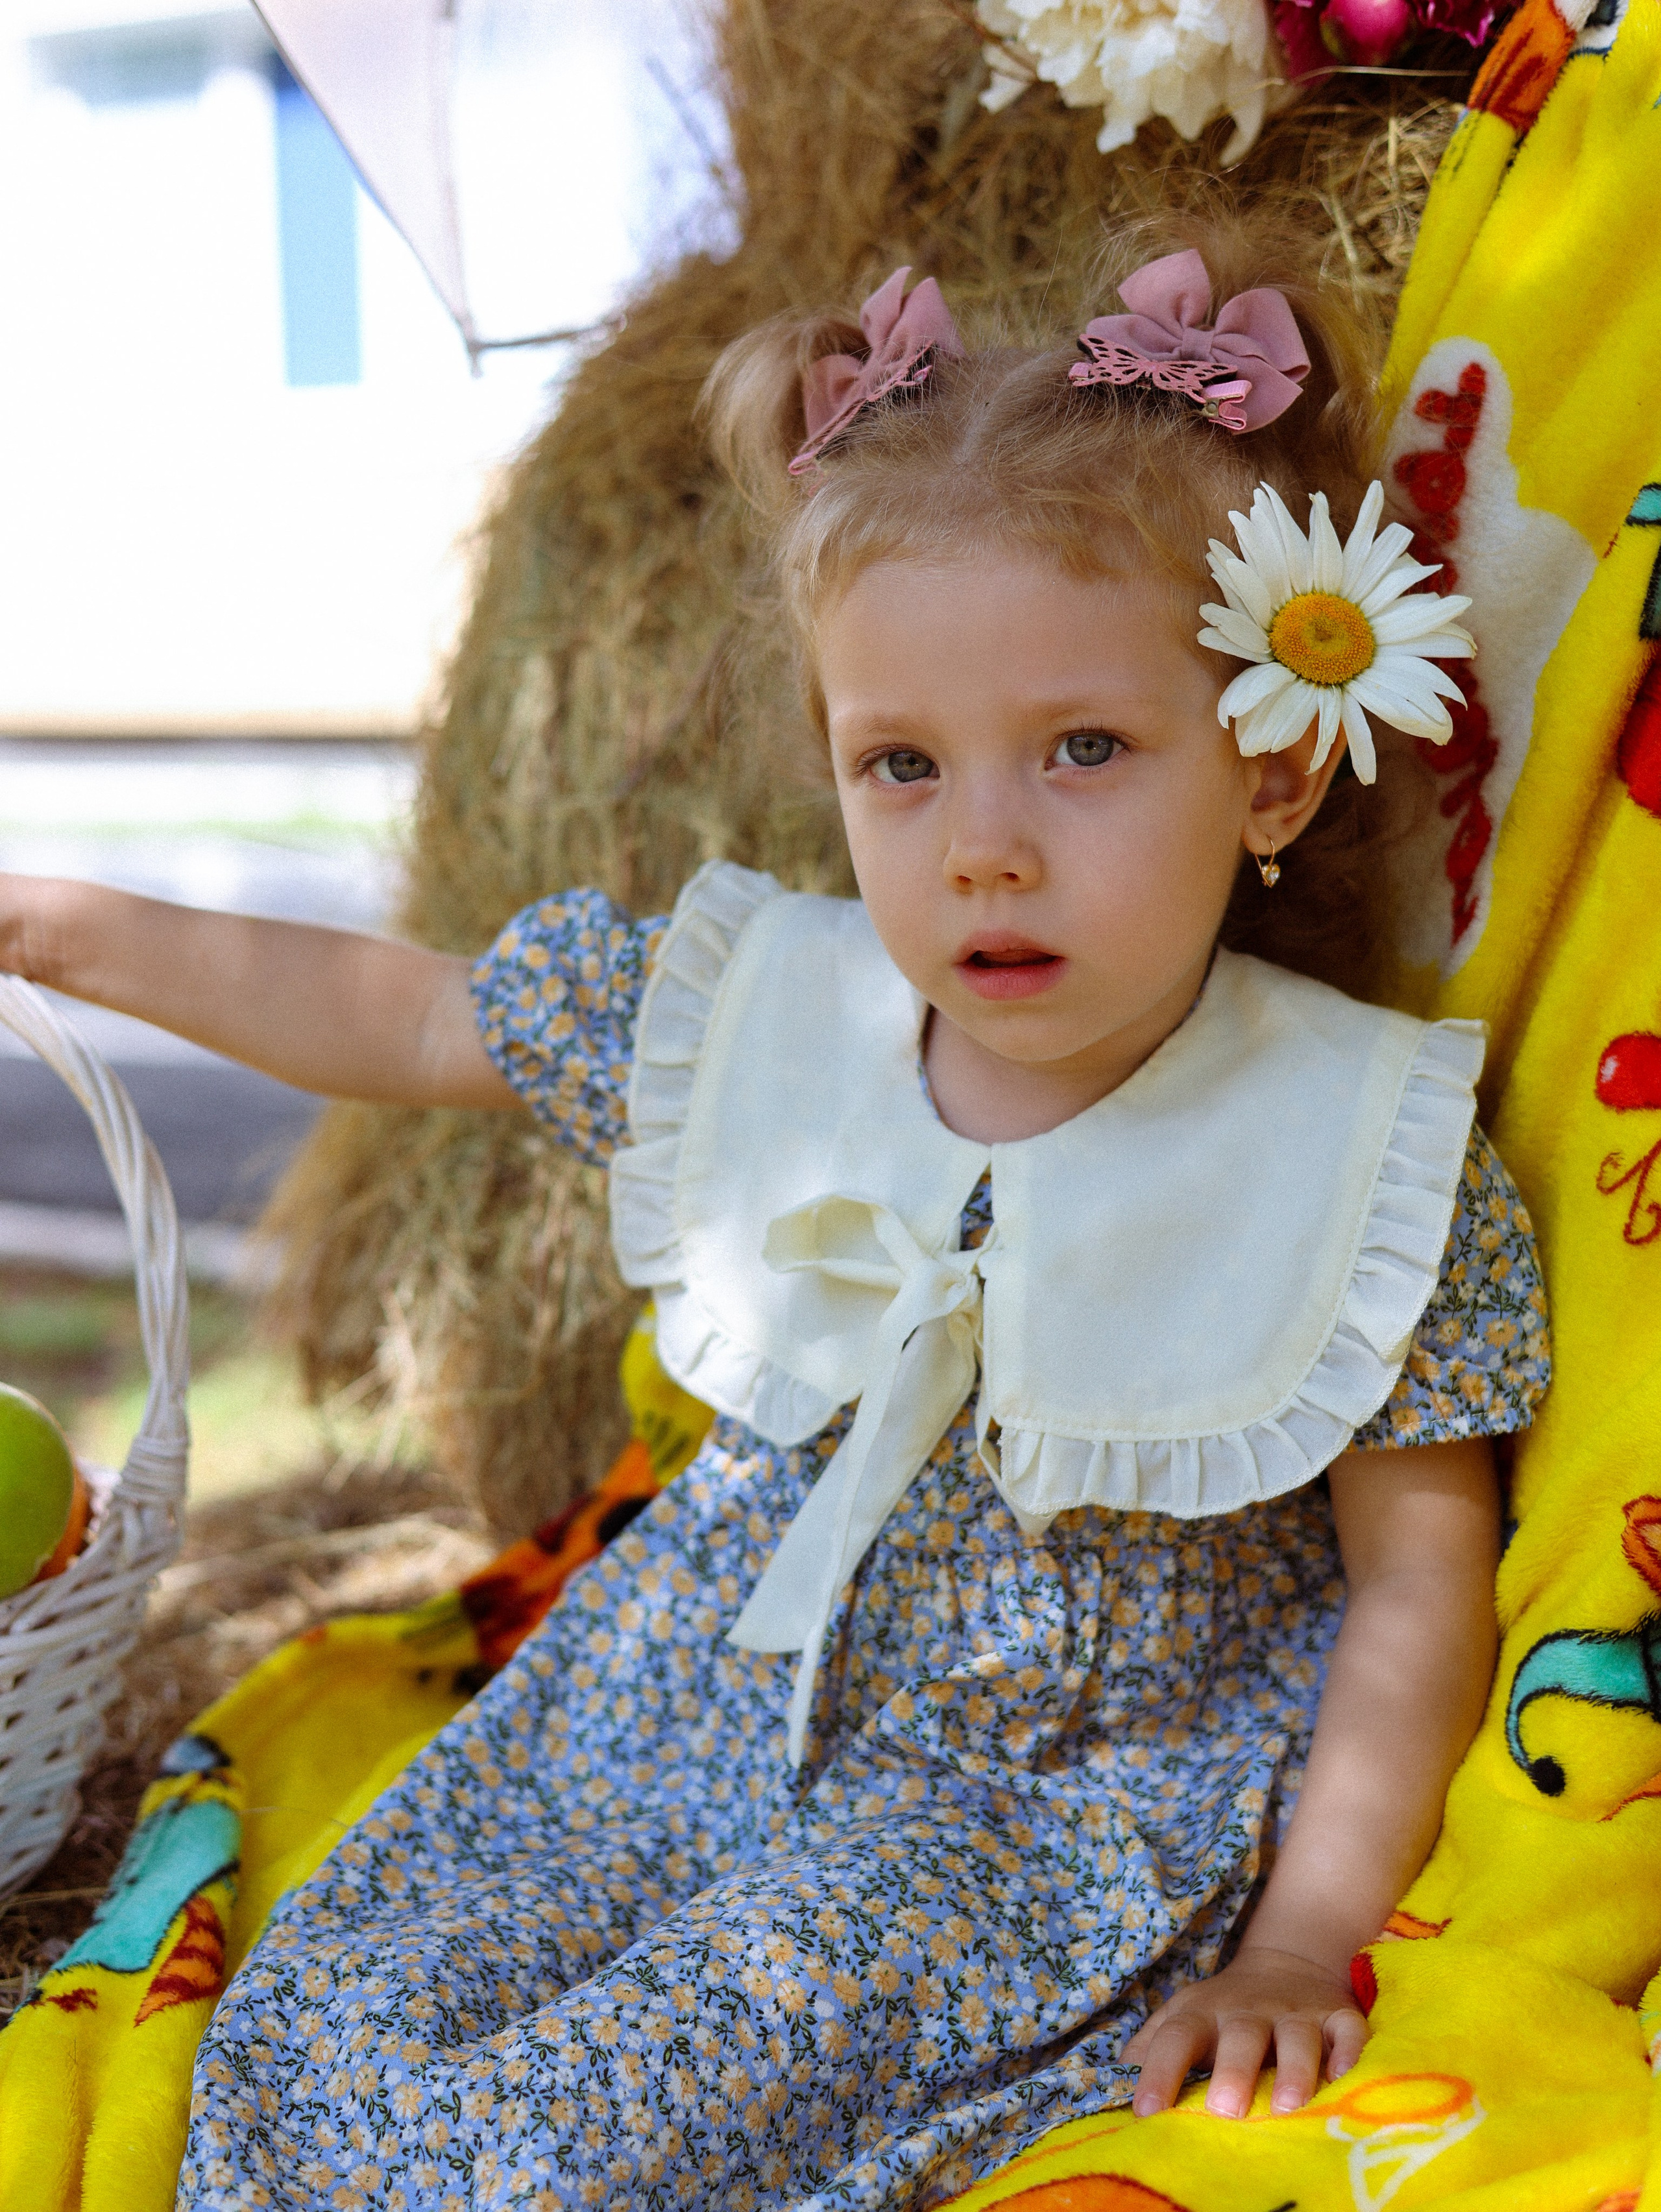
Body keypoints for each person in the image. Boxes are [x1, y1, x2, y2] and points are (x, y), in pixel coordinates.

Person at [1, 215, 1548, 2212]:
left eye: (1084, 750)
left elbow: (1422, 1587)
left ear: (1266, 767)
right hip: (674, 1707)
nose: (983, 846)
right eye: (900, 762)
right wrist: (61, 925)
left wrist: (1301, 1935)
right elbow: (397, 1007)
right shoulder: (780, 1014)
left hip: (1021, 1800)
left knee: (578, 2125)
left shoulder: (1358, 1150)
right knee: (330, 2023)